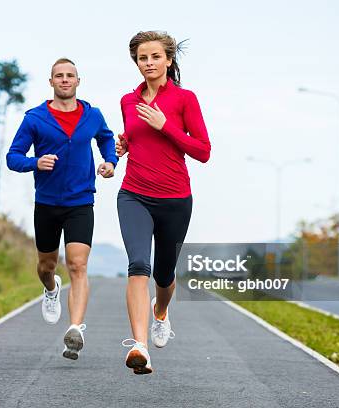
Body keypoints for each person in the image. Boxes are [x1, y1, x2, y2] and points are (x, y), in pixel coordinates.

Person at [6, 58, 118, 360]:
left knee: (78, 265)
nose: (65, 80)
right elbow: (13, 156)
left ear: (78, 81)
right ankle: (51, 289)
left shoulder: (92, 115)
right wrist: (34, 162)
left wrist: (109, 163)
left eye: (70, 76)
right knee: (47, 266)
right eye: (59, 76)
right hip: (47, 203)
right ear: (51, 82)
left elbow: (106, 140)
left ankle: (75, 329)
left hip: (81, 200)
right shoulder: (35, 119)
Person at [116, 31, 211, 374]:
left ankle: (160, 312)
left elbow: (203, 151)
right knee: (138, 264)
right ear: (137, 63)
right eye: (143, 58)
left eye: (155, 57)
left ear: (169, 60)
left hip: (174, 198)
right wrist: (123, 145)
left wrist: (166, 125)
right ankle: (139, 346)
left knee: (165, 273)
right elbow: (132, 136)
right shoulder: (128, 101)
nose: (149, 63)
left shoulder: (185, 99)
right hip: (134, 194)